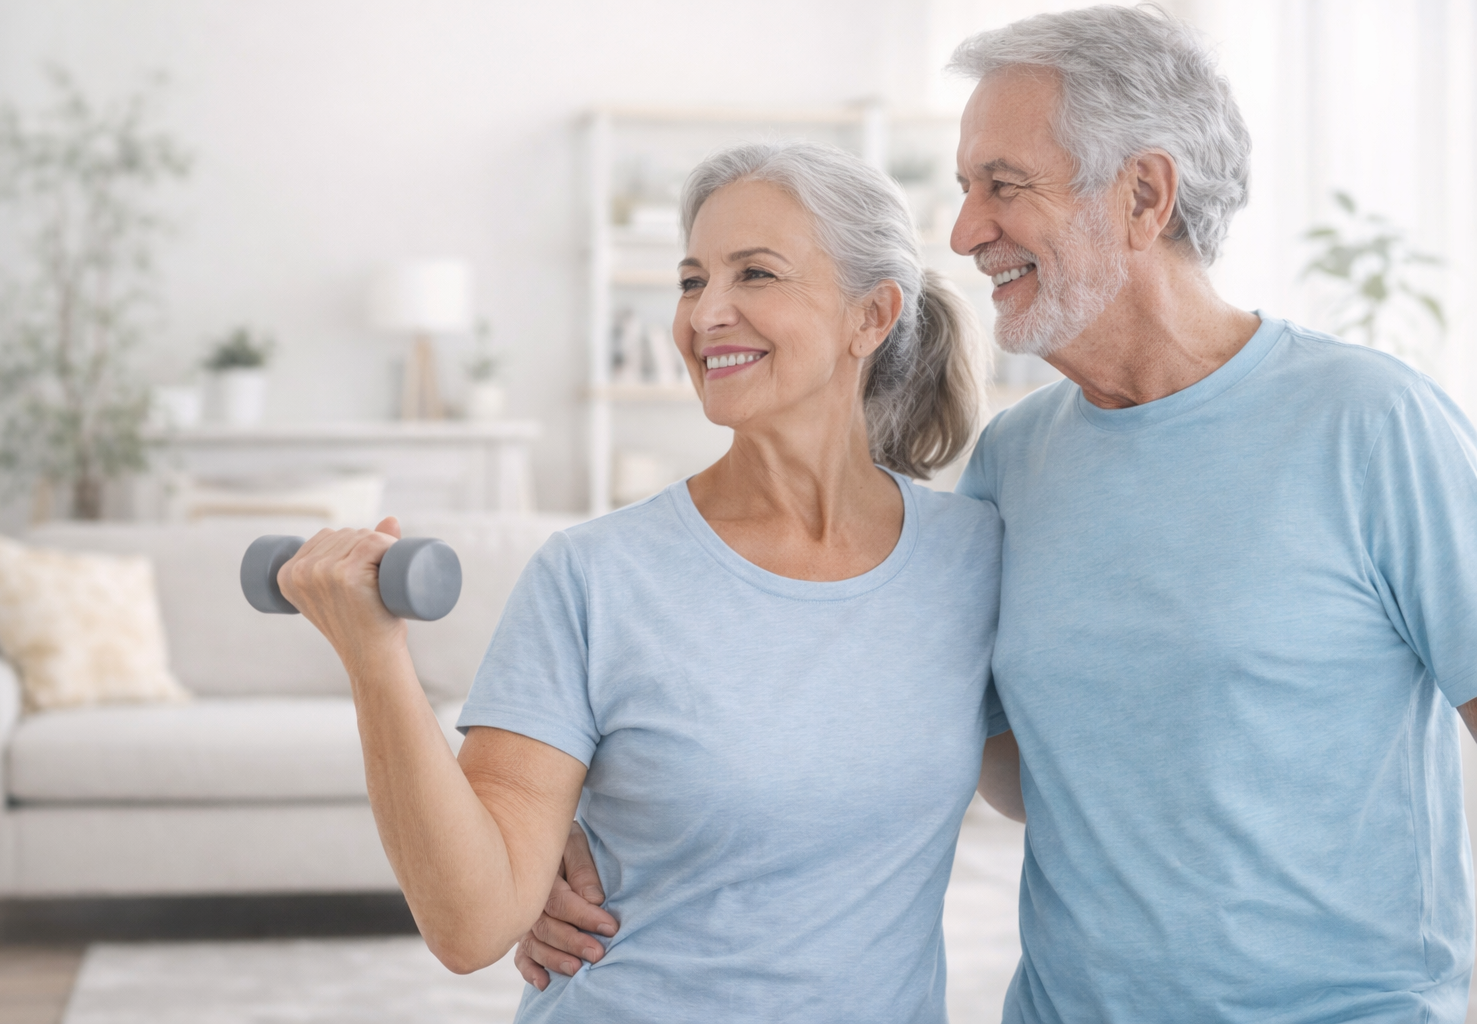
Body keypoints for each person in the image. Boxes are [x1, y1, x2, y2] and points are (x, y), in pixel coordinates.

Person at [521, 7, 1477, 1023]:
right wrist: (560, 826)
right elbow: (880, 712)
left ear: (1145, 193)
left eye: (1002, 186)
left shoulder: (1371, 424)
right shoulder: (1016, 464)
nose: (964, 232)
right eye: (967, 187)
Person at [279, 141, 1013, 1023]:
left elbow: (1071, 783)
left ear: (873, 316)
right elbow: (471, 924)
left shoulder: (972, 558)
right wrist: (373, 657)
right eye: (692, 279)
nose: (708, 314)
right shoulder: (594, 576)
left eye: (756, 275)